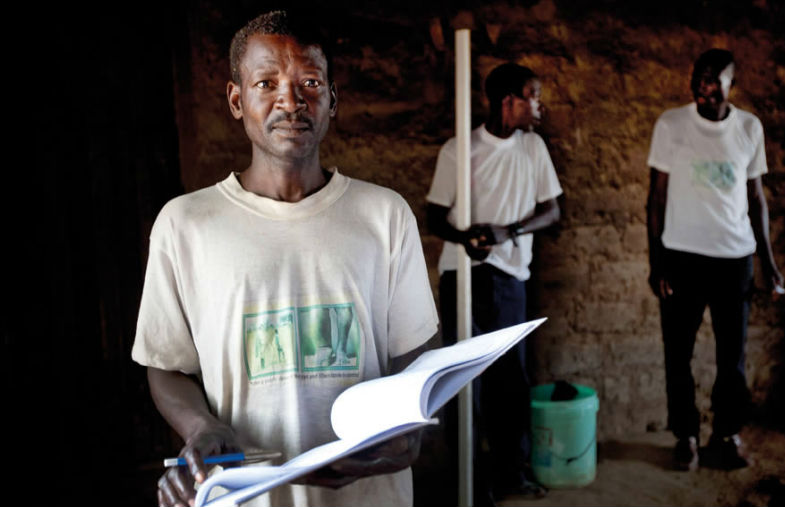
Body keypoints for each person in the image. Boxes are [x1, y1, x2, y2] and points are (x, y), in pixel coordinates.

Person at [132, 11, 438, 507]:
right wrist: (201, 426)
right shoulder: (185, 224)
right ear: (237, 100)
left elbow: (415, 356)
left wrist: (406, 432)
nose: (290, 101)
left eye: (310, 82)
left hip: (368, 495)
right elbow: (166, 365)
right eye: (266, 82)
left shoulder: (384, 214)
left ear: (332, 100)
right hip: (244, 495)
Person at [426, 62, 562, 503]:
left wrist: (508, 231)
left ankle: (511, 471)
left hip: (510, 278)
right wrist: (468, 237)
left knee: (511, 380)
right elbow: (434, 216)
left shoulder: (533, 149)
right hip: (464, 275)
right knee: (466, 382)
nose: (538, 106)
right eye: (532, 96)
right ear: (509, 102)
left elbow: (552, 210)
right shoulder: (459, 151)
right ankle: (470, 477)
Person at [645, 48, 785, 472]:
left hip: (734, 258)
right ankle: (685, 437)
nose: (704, 86)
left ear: (731, 85)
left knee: (732, 357)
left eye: (714, 79)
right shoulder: (671, 125)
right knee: (678, 354)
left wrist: (769, 261)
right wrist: (658, 262)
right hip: (682, 258)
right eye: (698, 78)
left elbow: (756, 197)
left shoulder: (748, 127)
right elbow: (656, 198)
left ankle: (726, 436)